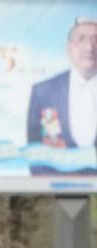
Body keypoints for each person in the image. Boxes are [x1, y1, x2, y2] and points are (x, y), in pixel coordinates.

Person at [27, 17, 97, 174]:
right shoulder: (43, 91)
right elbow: (34, 150)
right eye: (80, 39)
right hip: (54, 187)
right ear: (68, 48)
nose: (89, 48)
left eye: (96, 40)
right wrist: (49, 184)